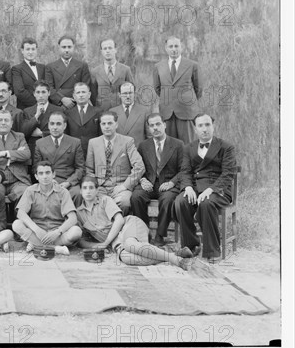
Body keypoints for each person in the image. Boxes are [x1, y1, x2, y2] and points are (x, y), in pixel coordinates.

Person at [76, 176, 190, 270]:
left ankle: (176, 260)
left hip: (128, 226)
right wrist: (97, 246)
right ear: (80, 191)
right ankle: (171, 254)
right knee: (127, 258)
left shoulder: (104, 200)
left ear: (96, 190)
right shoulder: (79, 213)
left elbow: (120, 220)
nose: (88, 191)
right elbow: (81, 241)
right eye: (85, 188)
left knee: (130, 245)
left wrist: (105, 243)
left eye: (91, 188)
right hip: (116, 243)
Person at [173, 114, 236, 263]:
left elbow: (228, 173)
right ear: (195, 129)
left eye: (207, 125)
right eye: (200, 126)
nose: (204, 129)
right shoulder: (188, 148)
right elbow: (185, 171)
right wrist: (187, 187)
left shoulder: (226, 147)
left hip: (218, 190)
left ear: (213, 126)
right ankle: (191, 246)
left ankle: (212, 250)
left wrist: (211, 190)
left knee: (206, 204)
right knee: (180, 201)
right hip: (195, 188)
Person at [130, 113, 184, 246]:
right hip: (150, 183)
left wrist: (172, 182)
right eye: (152, 125)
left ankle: (160, 235)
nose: (155, 128)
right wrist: (142, 180)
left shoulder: (178, 144)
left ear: (164, 125)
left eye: (158, 124)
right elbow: (138, 167)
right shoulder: (143, 145)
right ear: (148, 128)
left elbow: (184, 169)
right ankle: (145, 233)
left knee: (167, 199)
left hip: (169, 184)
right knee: (136, 197)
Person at [13, 161, 83, 255]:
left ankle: (36, 245)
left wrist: (58, 232)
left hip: (57, 234)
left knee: (76, 231)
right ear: (36, 176)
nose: (45, 176)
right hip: (37, 232)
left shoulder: (63, 192)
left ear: (53, 174)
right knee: (17, 224)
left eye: (47, 172)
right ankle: (56, 249)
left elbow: (73, 218)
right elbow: (21, 213)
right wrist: (37, 230)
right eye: (41, 173)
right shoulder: (30, 190)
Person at [85, 111, 145, 215]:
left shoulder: (127, 141)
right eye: (103, 124)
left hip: (120, 186)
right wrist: (95, 186)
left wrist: (125, 186)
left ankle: (121, 229)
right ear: (100, 125)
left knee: (124, 203)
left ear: (116, 124)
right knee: (96, 203)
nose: (107, 127)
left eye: (110, 123)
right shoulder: (93, 143)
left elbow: (139, 167)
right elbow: (89, 169)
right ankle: (105, 230)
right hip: (100, 187)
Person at [153, 36, 202, 145]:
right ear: (166, 48)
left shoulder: (192, 65)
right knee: (169, 147)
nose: (174, 49)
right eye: (171, 46)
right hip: (167, 112)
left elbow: (198, 89)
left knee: (188, 145)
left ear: (181, 47)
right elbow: (157, 88)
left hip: (186, 111)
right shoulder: (158, 66)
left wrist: (186, 99)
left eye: (176, 46)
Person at [0, 109, 32, 209]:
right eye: (0, 120)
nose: (3, 123)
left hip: (18, 180)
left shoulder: (19, 137)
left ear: (11, 123)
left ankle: (19, 221)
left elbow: (26, 154)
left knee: (25, 192)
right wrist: (13, 158)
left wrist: (4, 153)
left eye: (6, 120)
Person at [34, 112, 84, 200]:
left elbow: (80, 168)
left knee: (77, 193)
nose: (55, 127)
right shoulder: (40, 143)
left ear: (64, 126)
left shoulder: (75, 142)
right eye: (52, 124)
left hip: (68, 181)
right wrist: (49, 180)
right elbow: (36, 167)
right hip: (47, 181)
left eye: (58, 124)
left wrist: (69, 182)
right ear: (48, 125)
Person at [44, 35, 91, 110]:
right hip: (58, 105)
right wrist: (62, 99)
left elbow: (86, 86)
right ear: (59, 48)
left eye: (69, 47)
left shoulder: (82, 65)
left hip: (77, 105)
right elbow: (49, 88)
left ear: (73, 47)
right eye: (64, 47)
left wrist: (74, 100)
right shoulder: (50, 67)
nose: (66, 50)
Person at [20, 81, 64, 155]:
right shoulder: (27, 111)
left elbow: (62, 131)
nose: (41, 95)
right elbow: (23, 133)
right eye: (38, 92)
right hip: (33, 150)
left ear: (49, 93)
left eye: (43, 92)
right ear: (34, 94)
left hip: (52, 149)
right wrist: (36, 115)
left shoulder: (58, 110)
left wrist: (42, 134)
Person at [90, 39, 134, 111]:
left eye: (110, 48)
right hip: (102, 111)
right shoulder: (95, 72)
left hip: (121, 110)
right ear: (101, 52)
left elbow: (132, 90)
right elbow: (93, 94)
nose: (107, 51)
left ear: (115, 50)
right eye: (105, 48)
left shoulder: (126, 70)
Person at [65, 82, 102, 159]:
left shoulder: (98, 112)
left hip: (94, 153)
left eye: (83, 92)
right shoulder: (67, 113)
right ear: (74, 96)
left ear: (89, 95)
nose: (81, 95)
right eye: (78, 92)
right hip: (74, 154)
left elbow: (101, 135)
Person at [109, 82, 150, 147]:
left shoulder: (144, 111)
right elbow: (109, 136)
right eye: (125, 93)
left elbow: (149, 137)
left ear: (135, 94)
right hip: (119, 152)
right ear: (119, 95)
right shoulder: (113, 112)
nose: (128, 96)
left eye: (130, 93)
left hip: (138, 152)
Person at [11, 38, 46, 110]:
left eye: (33, 49)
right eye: (28, 49)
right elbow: (19, 91)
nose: (30, 52)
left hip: (44, 108)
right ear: (22, 51)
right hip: (26, 109)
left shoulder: (43, 68)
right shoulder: (17, 69)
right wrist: (37, 103)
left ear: (36, 50)